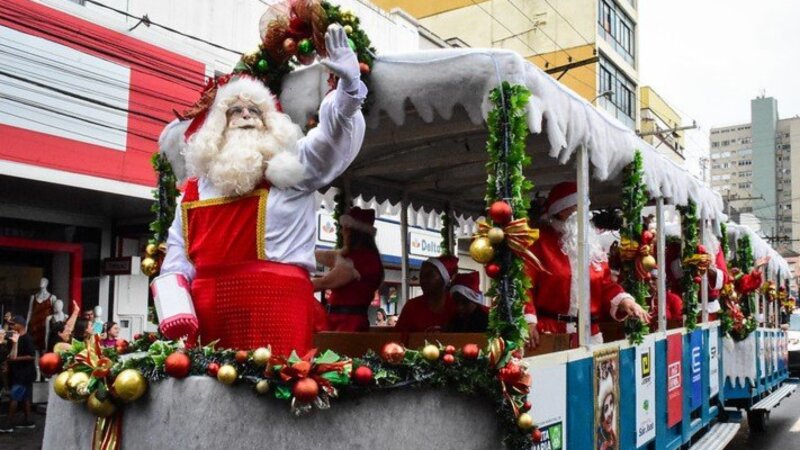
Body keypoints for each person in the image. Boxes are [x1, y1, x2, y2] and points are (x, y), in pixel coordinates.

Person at [154, 25, 366, 355]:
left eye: (255, 110)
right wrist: (174, 302)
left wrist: (349, 90)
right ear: (218, 125)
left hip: (275, 309)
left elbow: (330, 141)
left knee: (276, 385)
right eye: (234, 111)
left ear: (270, 122)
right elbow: (178, 257)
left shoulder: (289, 167)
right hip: (209, 316)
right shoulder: (195, 190)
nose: (245, 115)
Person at [524, 182, 650, 348]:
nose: (587, 214)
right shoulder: (540, 243)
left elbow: (606, 285)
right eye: (578, 207)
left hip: (589, 334)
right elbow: (525, 286)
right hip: (550, 333)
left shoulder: (593, 247)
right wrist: (529, 321)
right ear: (561, 210)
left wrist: (626, 301)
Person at [313, 207, 384, 331]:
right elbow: (327, 256)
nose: (341, 232)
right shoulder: (368, 257)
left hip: (345, 324)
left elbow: (324, 282)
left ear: (354, 233)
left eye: (345, 229)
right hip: (351, 321)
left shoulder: (356, 260)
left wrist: (294, 284)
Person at [395, 256, 459, 332]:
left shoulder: (458, 306)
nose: (423, 280)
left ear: (444, 279)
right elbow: (398, 337)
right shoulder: (411, 307)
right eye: (421, 275)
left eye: (429, 275)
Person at [0, 316, 37, 432]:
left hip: (25, 373)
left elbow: (31, 356)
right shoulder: (14, 338)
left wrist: (15, 359)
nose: (11, 326)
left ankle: (9, 423)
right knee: (25, 398)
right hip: (18, 372)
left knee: (14, 397)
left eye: (13, 324)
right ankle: (28, 420)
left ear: (20, 325)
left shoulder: (27, 339)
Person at [27, 277, 55, 353]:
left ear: (47, 283)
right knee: (34, 345)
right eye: (40, 281)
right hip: (35, 324)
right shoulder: (33, 297)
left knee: (45, 344)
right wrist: (26, 325)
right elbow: (29, 311)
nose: (41, 282)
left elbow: (54, 312)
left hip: (45, 325)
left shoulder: (52, 297)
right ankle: (36, 358)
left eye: (43, 281)